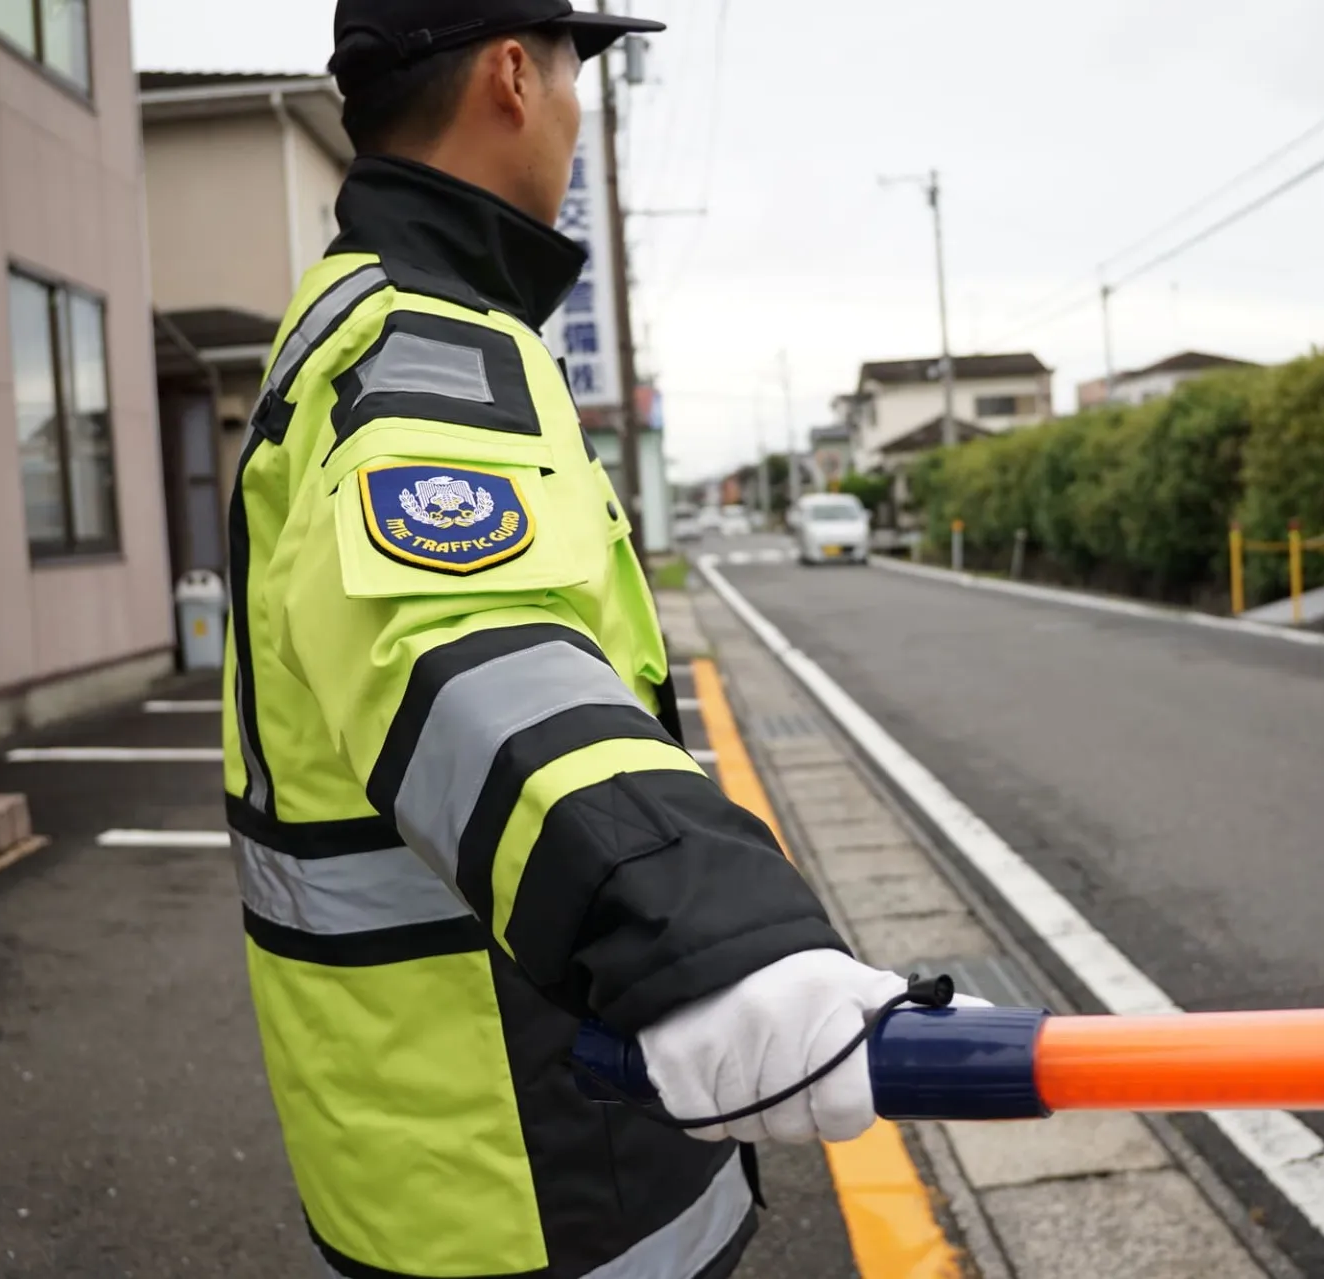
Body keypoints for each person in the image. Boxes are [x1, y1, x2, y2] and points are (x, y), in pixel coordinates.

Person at [223, 4, 934, 1276]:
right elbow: (462, 647)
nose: (571, 110)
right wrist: (723, 941)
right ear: (511, 75)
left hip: (422, 1143)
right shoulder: (427, 342)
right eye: (569, 74)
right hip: (531, 1157)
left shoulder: (339, 319)